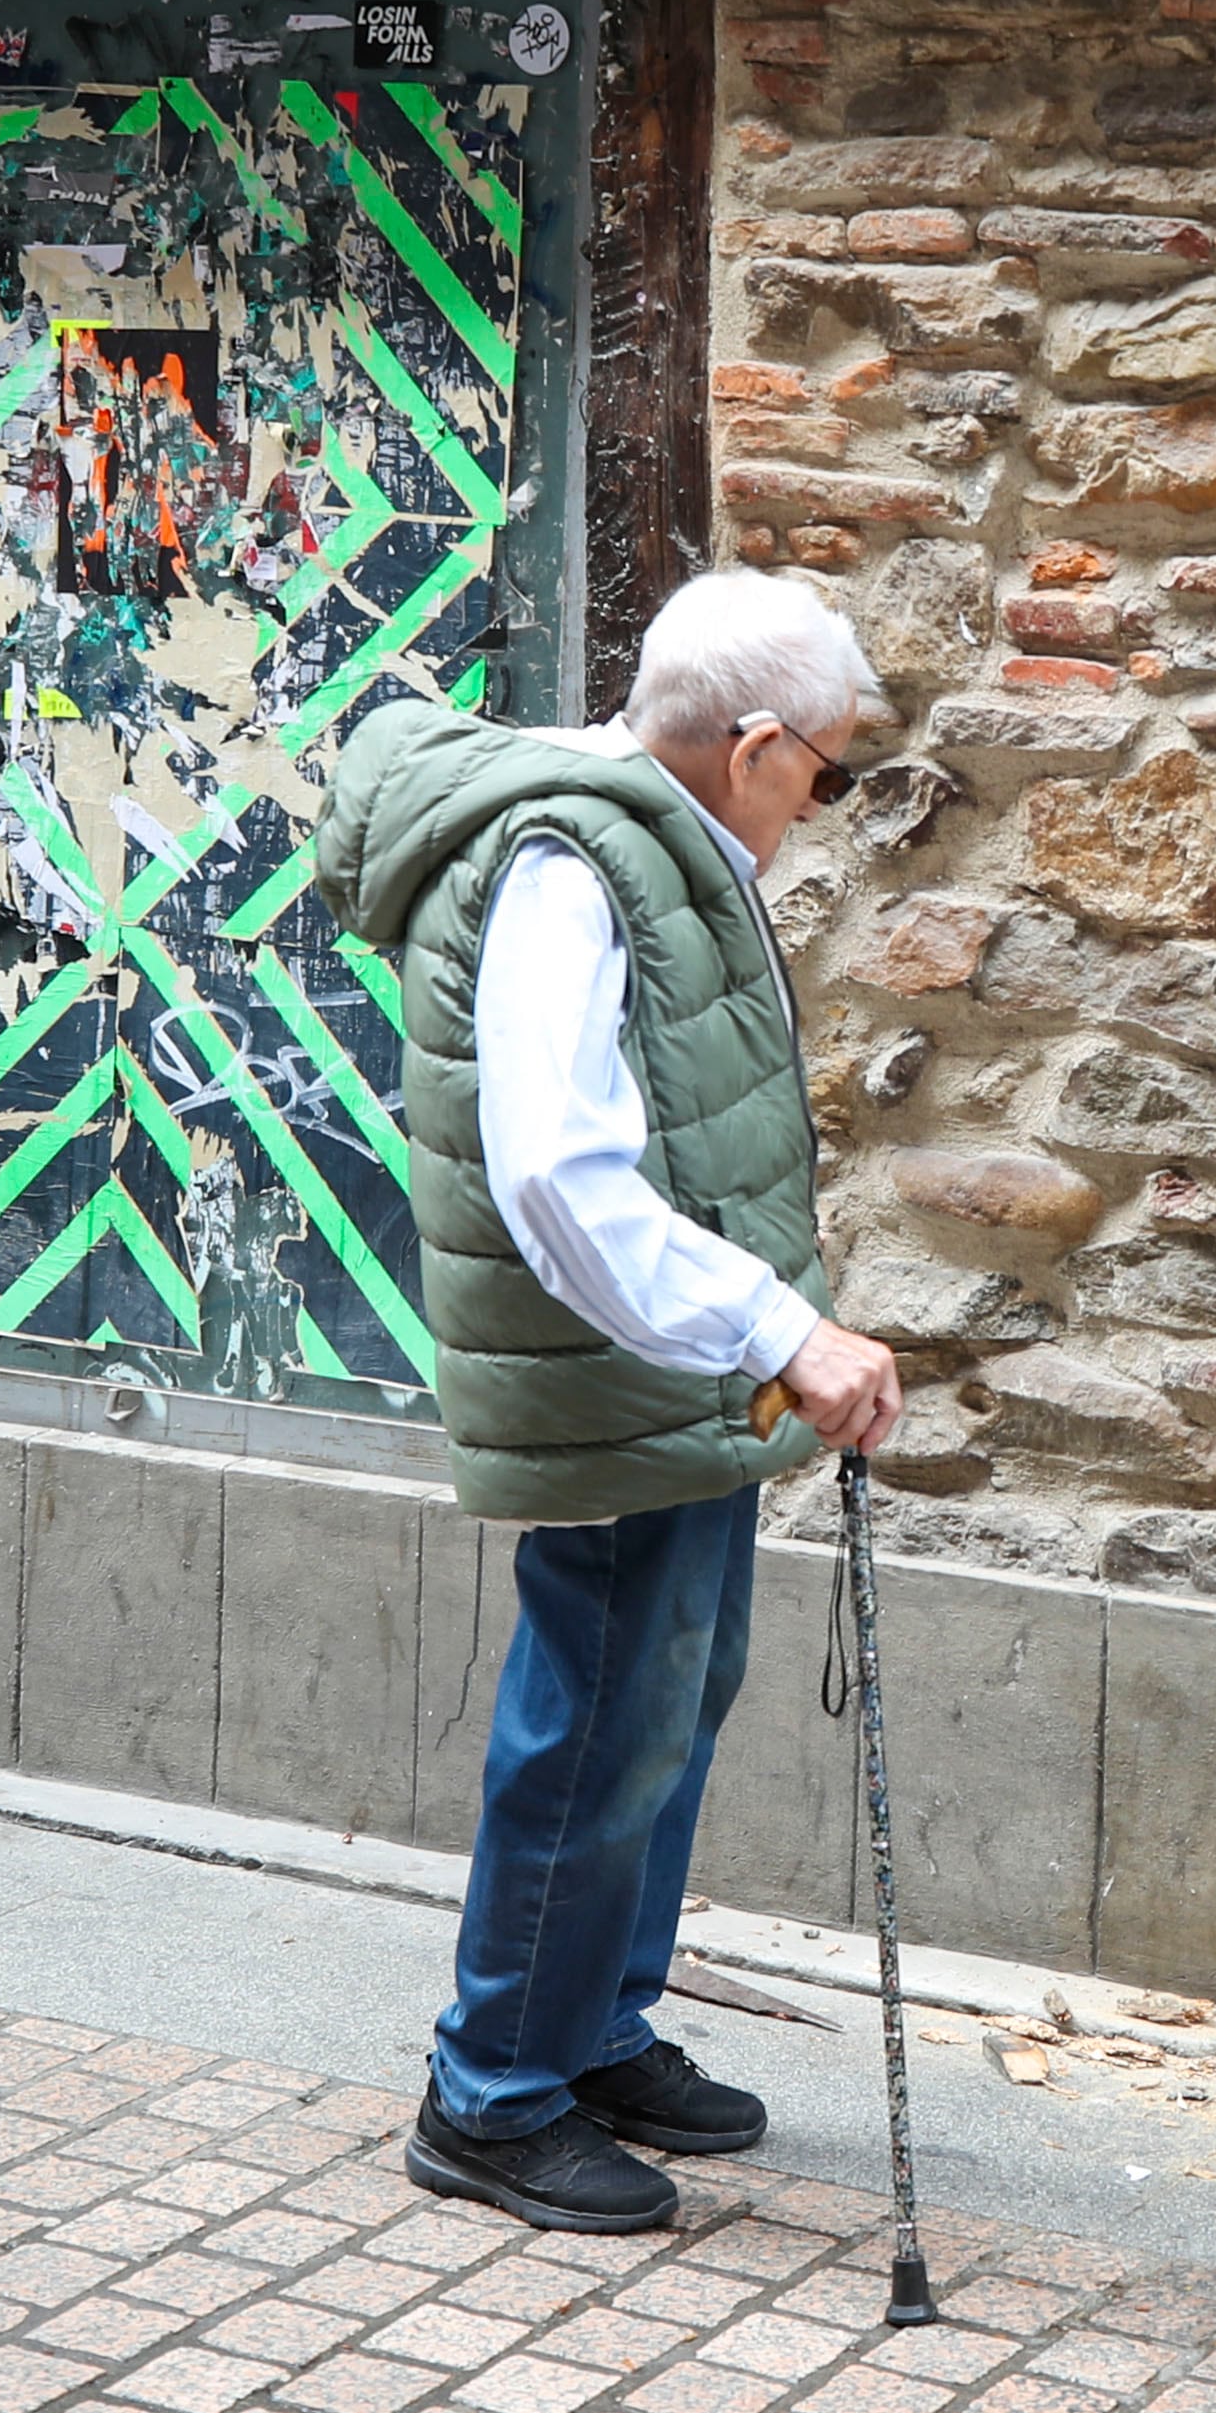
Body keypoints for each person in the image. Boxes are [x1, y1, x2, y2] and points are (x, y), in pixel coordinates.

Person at [309, 572, 906, 2234]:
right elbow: (561, 1178)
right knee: (593, 1710)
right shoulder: (571, 866)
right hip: (617, 1356)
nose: (828, 806)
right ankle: (492, 2088)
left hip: (676, 1361)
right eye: (830, 773)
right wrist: (780, 1327)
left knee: (672, 1684)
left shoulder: (658, 838)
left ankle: (588, 2028)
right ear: (760, 745)